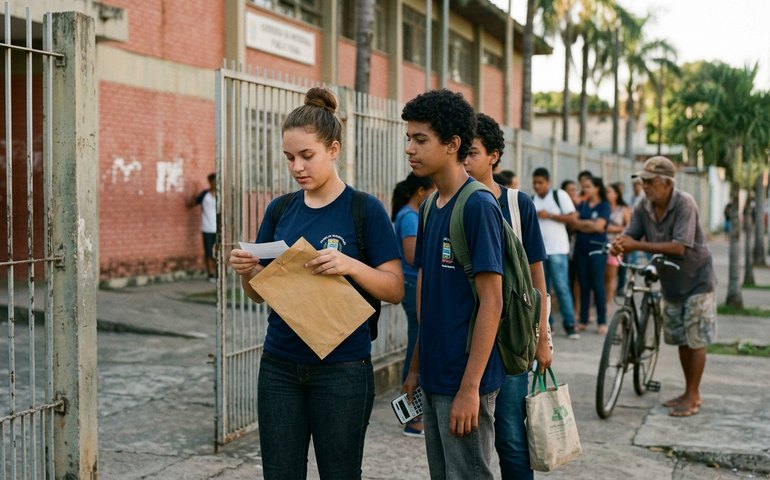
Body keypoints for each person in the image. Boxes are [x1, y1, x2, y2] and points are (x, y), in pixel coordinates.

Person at [228, 87, 404, 479]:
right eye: (290, 157)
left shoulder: (365, 209)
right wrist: (249, 272)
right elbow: (259, 294)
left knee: (339, 473)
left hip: (342, 368)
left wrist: (350, 265)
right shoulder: (280, 210)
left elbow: (394, 289)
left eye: (307, 156)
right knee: (280, 472)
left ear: (334, 149)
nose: (297, 167)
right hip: (280, 364)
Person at [401, 89, 504, 479]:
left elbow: (491, 303)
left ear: (453, 144)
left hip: (465, 379)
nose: (410, 148)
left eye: (421, 139)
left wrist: (470, 389)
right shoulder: (429, 205)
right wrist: (415, 366)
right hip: (434, 374)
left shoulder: (477, 205)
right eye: (408, 138)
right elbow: (428, 296)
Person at [463, 113, 552, 480]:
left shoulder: (517, 205)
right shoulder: (449, 203)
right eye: (461, 152)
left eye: (472, 152)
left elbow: (537, 280)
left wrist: (543, 337)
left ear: (494, 156)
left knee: (512, 439)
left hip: (511, 341)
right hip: (465, 339)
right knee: (468, 438)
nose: (464, 161)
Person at [611, 156, 716, 417]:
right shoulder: (643, 206)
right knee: (681, 338)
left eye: (650, 181)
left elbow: (680, 246)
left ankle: (694, 395)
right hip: (671, 281)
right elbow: (632, 234)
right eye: (643, 181)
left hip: (697, 280)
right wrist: (621, 242)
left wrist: (637, 246)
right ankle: (687, 391)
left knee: (696, 339)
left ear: (667, 183)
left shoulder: (684, 203)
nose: (645, 186)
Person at [391, 172, 435, 438]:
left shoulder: (410, 214)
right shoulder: (409, 217)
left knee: (418, 345)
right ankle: (412, 416)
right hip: (410, 286)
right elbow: (411, 255)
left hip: (413, 285)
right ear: (421, 191)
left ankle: (414, 413)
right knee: (416, 347)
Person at [532, 168, 579, 339]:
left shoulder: (559, 195)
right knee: (542, 290)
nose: (537, 186)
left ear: (548, 182)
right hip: (540, 252)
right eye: (535, 183)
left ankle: (570, 324)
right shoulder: (532, 199)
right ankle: (547, 324)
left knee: (561, 286)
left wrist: (550, 215)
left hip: (558, 249)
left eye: (540, 182)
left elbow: (573, 218)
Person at [573, 176, 610, 334]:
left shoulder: (604, 206)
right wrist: (588, 224)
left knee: (597, 283)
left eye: (588, 186)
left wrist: (584, 225)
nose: (585, 189)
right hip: (581, 248)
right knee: (583, 283)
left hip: (597, 249)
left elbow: (599, 227)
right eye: (584, 187)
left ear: (597, 188)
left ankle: (602, 321)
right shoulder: (583, 205)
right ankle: (584, 319)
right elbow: (573, 223)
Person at [186, 172, 218, 282]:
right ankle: (210, 274)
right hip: (207, 228)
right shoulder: (204, 195)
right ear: (210, 182)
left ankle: (219, 274)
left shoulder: (221, 195)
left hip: (219, 229)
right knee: (208, 252)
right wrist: (194, 192)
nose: (215, 184)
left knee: (218, 253)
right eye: (213, 182)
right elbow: (190, 205)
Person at [605, 182, 631, 304]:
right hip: (602, 245)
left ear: (616, 194)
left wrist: (612, 228)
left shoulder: (624, 209)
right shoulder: (603, 207)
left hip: (616, 246)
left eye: (609, 192)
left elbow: (629, 227)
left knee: (611, 276)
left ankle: (608, 303)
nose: (607, 194)